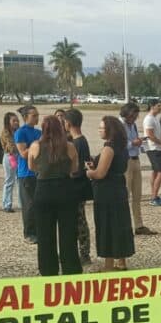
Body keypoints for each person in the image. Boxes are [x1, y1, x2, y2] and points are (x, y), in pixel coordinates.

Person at [29, 116, 81, 276]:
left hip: (44, 189)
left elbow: (32, 167)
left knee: (45, 234)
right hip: (65, 189)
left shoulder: (36, 145)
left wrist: (45, 169)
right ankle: (71, 269)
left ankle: (48, 270)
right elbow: (74, 168)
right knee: (68, 234)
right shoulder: (70, 146)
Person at [86, 116, 135, 271]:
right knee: (120, 223)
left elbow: (100, 173)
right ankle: (121, 260)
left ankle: (108, 265)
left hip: (106, 191)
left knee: (107, 226)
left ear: (109, 130)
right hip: (119, 188)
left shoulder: (109, 147)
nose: (99, 130)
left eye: (102, 128)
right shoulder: (122, 147)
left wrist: (88, 172)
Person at [119, 102, 154, 236]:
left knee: (137, 195)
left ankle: (139, 225)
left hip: (135, 159)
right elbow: (118, 143)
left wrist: (139, 142)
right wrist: (132, 143)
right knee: (125, 194)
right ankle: (124, 225)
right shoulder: (119, 124)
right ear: (126, 113)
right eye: (132, 116)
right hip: (126, 161)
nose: (134, 118)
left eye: (136, 116)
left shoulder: (132, 124)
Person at [64, 109, 94, 265]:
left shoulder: (77, 143)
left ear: (68, 123)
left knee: (79, 221)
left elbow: (77, 168)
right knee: (79, 220)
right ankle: (82, 252)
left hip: (76, 187)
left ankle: (84, 253)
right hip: (78, 186)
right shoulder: (81, 140)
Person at [14, 105, 41, 243]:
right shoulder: (20, 132)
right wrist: (36, 146)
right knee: (29, 204)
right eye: (34, 115)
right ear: (26, 117)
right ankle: (29, 233)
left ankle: (38, 230)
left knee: (38, 203)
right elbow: (23, 153)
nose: (37, 118)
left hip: (38, 172)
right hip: (26, 173)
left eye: (37, 115)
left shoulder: (38, 132)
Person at [143, 100, 161, 206]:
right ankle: (153, 197)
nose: (160, 107)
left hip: (156, 148)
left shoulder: (154, 118)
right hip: (154, 149)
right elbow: (150, 135)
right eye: (158, 106)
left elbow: (155, 133)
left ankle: (154, 195)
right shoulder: (149, 119)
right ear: (152, 106)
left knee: (155, 172)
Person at [0, 112, 20, 213]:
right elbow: (11, 146)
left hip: (18, 156)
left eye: (17, 120)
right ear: (8, 122)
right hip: (10, 157)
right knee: (9, 180)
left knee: (19, 179)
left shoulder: (18, 131)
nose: (16, 122)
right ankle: (7, 204)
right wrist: (21, 147)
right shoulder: (5, 132)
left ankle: (22, 203)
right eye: (14, 121)